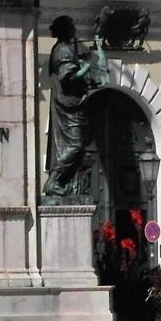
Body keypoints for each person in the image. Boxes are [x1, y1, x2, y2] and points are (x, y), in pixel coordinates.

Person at [42, 15, 103, 200]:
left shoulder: (67, 48)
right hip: (68, 106)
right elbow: (66, 77)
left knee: (79, 146)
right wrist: (85, 68)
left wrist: (94, 50)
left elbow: (88, 55)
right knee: (75, 145)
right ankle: (53, 181)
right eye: (72, 27)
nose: (75, 30)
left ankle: (62, 182)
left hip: (75, 105)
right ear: (65, 30)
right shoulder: (62, 51)